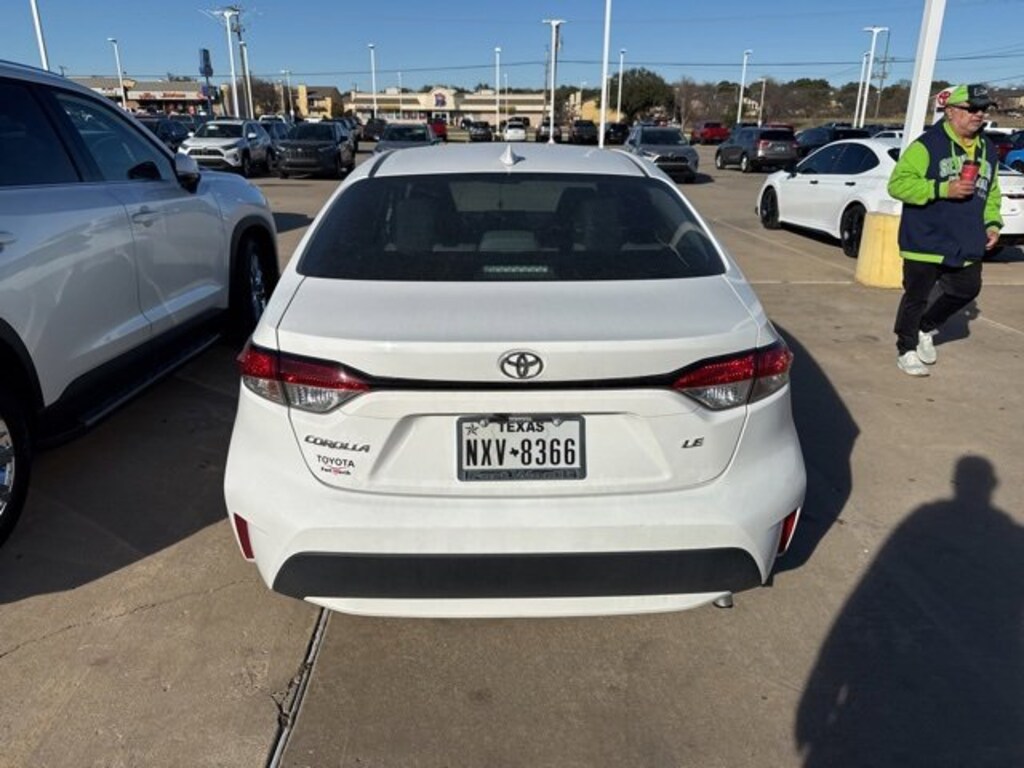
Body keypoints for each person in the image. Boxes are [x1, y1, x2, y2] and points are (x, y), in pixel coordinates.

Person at [887, 83, 1002, 377]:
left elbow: (991, 191)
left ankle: (926, 327)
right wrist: (942, 188)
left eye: (983, 110)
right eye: (972, 109)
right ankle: (907, 348)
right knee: (917, 295)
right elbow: (897, 184)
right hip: (925, 236)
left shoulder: (987, 148)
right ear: (950, 112)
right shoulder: (928, 145)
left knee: (967, 288)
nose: (979, 115)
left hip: (965, 237)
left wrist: (991, 223)